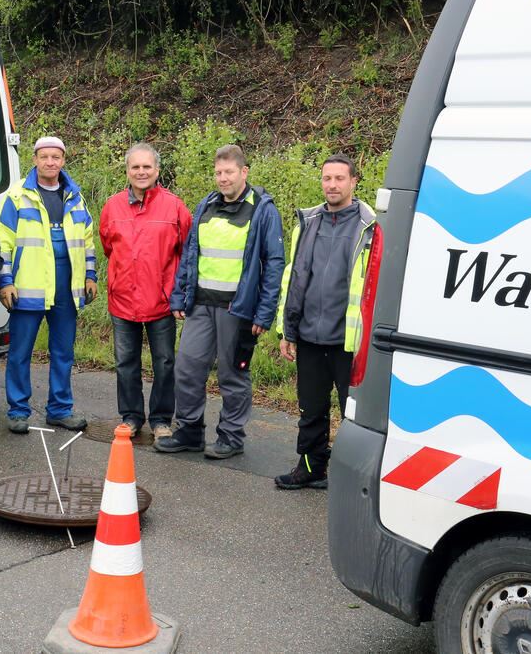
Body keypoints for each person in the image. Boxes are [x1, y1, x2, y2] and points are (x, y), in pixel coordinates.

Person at [154, 144, 285, 459]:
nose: (223, 178)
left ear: (244, 172)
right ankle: (189, 431)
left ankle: (231, 437)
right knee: (187, 368)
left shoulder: (262, 210)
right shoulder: (207, 205)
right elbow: (190, 254)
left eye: (229, 172)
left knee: (232, 375)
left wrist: (264, 313)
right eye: (218, 173)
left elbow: (274, 263)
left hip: (237, 310)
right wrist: (180, 295)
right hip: (200, 306)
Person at [274, 153, 376, 489]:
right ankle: (310, 467)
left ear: (354, 181)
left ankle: (353, 479)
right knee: (311, 410)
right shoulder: (308, 222)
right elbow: (293, 278)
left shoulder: (370, 228)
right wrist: (287, 331)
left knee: (354, 415)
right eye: (327, 178)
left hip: (350, 342)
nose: (332, 185)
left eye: (339, 178)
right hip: (309, 338)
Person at [0, 136, 98, 434]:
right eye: (44, 157)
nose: (50, 162)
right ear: (35, 160)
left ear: (63, 160)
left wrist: (90, 276)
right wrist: (5, 280)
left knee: (63, 351)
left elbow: (87, 241)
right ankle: (18, 411)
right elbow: (3, 242)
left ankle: (60, 409)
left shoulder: (75, 197)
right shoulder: (18, 196)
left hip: (66, 285)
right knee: (20, 352)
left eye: (56, 157)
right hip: (28, 286)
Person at [99, 143, 192, 440]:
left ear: (157, 170)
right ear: (127, 171)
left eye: (147, 166)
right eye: (135, 167)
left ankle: (161, 419)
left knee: (164, 363)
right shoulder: (112, 206)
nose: (141, 172)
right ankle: (131, 416)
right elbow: (108, 247)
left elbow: (186, 251)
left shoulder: (175, 207)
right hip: (123, 299)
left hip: (161, 301)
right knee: (126, 363)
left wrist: (178, 292)